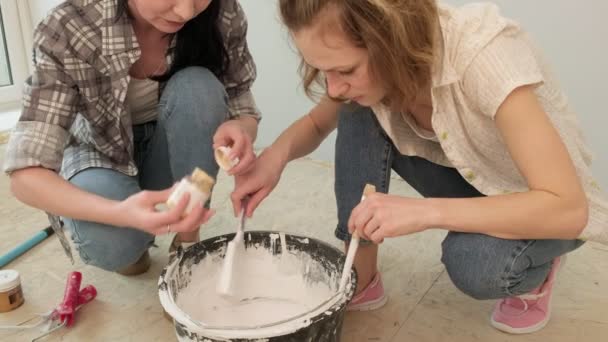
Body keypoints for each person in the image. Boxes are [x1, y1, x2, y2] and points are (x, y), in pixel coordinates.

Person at [230, 0, 607, 334]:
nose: (333, 87)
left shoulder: (484, 55)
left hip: (544, 204)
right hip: (473, 178)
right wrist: (272, 160)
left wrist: (425, 212)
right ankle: (359, 275)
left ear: (392, 38)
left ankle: (539, 267)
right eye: (321, 70)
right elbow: (317, 123)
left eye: (345, 69)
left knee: (475, 264)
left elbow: (568, 208)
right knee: (358, 110)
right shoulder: (370, 72)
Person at [4, 0, 260, 276]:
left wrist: (241, 131)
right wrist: (121, 214)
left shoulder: (223, 11)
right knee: (118, 248)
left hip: (172, 149)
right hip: (98, 153)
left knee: (200, 88)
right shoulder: (69, 25)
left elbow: (241, 106)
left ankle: (187, 240)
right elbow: (25, 177)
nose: (187, 12)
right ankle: (132, 246)